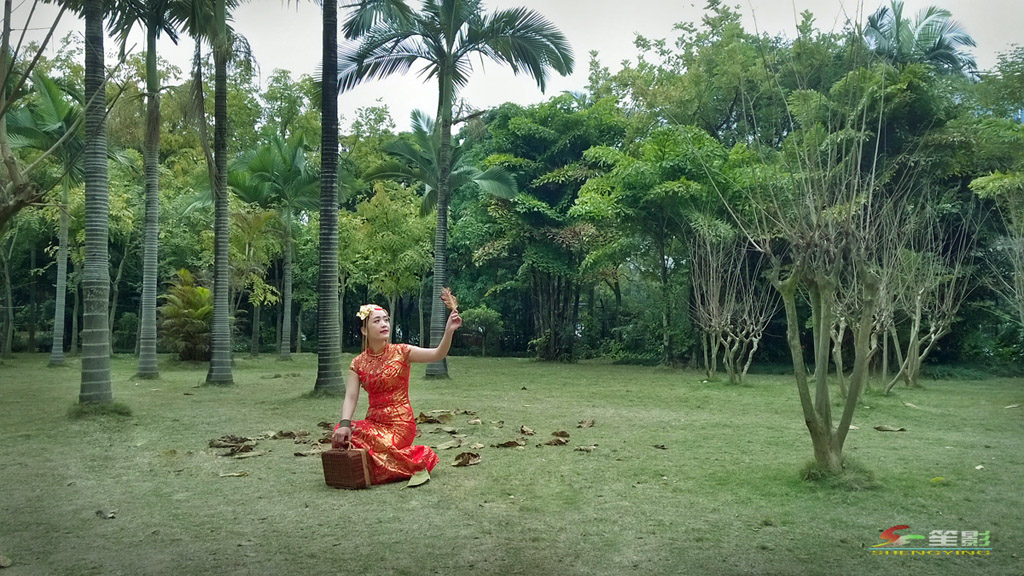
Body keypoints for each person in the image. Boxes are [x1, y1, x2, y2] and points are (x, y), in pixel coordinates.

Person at [331, 303, 462, 484]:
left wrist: (449, 331)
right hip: (374, 423)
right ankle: (384, 463)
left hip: (400, 425)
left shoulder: (402, 352)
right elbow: (351, 397)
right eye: (377, 321)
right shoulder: (357, 363)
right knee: (341, 431)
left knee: (369, 442)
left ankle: (413, 458)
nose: (384, 324)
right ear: (364, 330)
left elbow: (437, 354)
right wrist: (345, 423)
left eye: (386, 320)